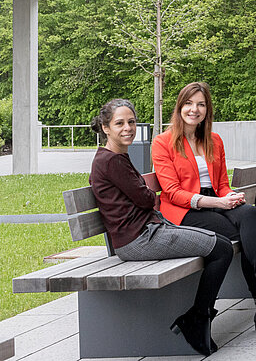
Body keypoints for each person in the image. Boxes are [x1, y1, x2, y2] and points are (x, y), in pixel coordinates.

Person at [152, 82, 256, 335]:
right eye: (189, 103)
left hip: (215, 203)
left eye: (201, 104)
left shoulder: (214, 140)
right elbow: (173, 192)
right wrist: (218, 202)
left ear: (207, 109)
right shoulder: (163, 143)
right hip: (185, 211)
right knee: (247, 232)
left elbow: (221, 185)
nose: (194, 110)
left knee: (249, 214)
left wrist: (231, 196)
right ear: (179, 107)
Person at [89, 99, 232, 356]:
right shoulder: (111, 161)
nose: (128, 128)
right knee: (221, 249)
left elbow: (145, 198)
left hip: (148, 231)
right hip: (138, 240)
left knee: (221, 244)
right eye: (119, 123)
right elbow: (146, 198)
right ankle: (198, 319)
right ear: (105, 127)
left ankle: (199, 317)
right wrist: (148, 197)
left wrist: (147, 197)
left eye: (131, 122)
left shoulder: (117, 156)